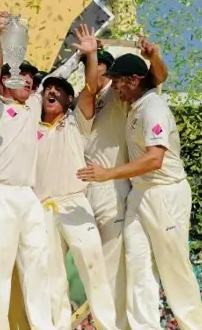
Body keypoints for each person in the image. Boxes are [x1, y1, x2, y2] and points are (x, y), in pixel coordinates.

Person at [77, 53, 202, 330]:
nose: (115, 88)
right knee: (137, 267)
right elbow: (158, 75)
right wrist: (154, 57)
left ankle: (193, 326)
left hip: (165, 193)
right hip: (139, 194)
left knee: (174, 269)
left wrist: (107, 174)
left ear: (133, 81)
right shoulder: (133, 105)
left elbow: (154, 159)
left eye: (118, 82)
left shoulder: (153, 108)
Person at [0, 11, 55, 330]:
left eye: (32, 79)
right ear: (6, 82)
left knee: (37, 265)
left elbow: (56, 71)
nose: (29, 82)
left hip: (28, 197)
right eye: (23, 78)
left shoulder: (33, 104)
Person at [34, 24, 118, 330]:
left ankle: (107, 325)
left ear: (69, 101)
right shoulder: (27, 124)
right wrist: (69, 62)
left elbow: (91, 90)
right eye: (49, 89)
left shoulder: (75, 121)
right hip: (41, 208)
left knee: (93, 267)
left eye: (61, 91)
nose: (53, 92)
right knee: (51, 278)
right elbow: (37, 85)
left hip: (74, 203)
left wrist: (90, 54)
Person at [82, 38, 167, 329]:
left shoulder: (121, 98)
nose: (95, 72)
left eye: (102, 68)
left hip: (112, 188)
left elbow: (156, 78)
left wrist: (152, 55)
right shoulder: (76, 102)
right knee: (88, 272)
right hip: (79, 192)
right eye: (90, 65)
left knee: (113, 272)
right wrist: (87, 55)